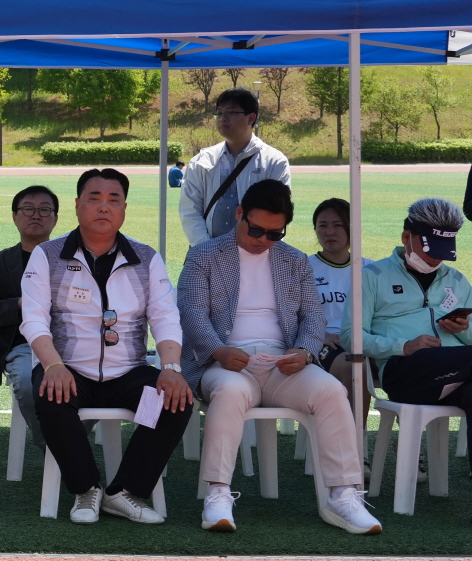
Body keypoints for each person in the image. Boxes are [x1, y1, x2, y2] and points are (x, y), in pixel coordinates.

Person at [178, 179, 381, 535]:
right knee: (230, 392)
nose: (264, 239)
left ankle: (343, 495)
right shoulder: (204, 255)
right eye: (257, 229)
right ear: (240, 214)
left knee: (332, 391)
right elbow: (191, 313)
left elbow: (313, 318)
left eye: (275, 233)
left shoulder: (294, 259)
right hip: (223, 362)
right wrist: (219, 351)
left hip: (281, 363)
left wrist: (304, 352)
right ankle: (218, 493)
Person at [21, 167, 192, 525]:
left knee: (172, 403)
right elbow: (33, 318)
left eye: (113, 199)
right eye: (94, 199)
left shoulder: (147, 258)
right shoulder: (47, 255)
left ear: (124, 209)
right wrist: (53, 366)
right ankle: (86, 489)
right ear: (78, 206)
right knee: (51, 397)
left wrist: (171, 370)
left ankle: (124, 491)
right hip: (70, 370)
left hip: (127, 373)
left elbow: (165, 317)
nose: (104, 207)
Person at [359, 198, 472, 450]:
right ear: (405, 237)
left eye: (442, 253)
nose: (435, 260)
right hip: (404, 371)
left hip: (455, 373)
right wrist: (404, 346)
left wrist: (464, 329)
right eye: (430, 251)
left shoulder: (458, 280)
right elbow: (351, 337)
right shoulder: (372, 276)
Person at [0, 185, 60, 446]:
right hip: (22, 345)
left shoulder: (72, 259)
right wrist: (22, 303)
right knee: (25, 382)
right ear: (14, 216)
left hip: (71, 343)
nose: (36, 215)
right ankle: (55, 449)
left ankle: (65, 444)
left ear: (55, 218)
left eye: (44, 210)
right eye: (28, 209)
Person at [179, 87, 291, 245]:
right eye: (219, 113)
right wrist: (206, 250)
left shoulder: (273, 161)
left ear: (251, 118)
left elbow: (278, 212)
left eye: (231, 113)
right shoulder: (202, 160)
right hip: (209, 254)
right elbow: (189, 210)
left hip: (255, 253)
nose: (223, 118)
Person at [308, 197, 370, 411]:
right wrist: (320, 336)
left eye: (338, 225)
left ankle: (407, 434)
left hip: (369, 344)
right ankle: (353, 440)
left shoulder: (370, 269)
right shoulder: (305, 268)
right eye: (322, 226)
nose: (329, 232)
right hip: (326, 346)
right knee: (354, 365)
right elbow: (289, 315)